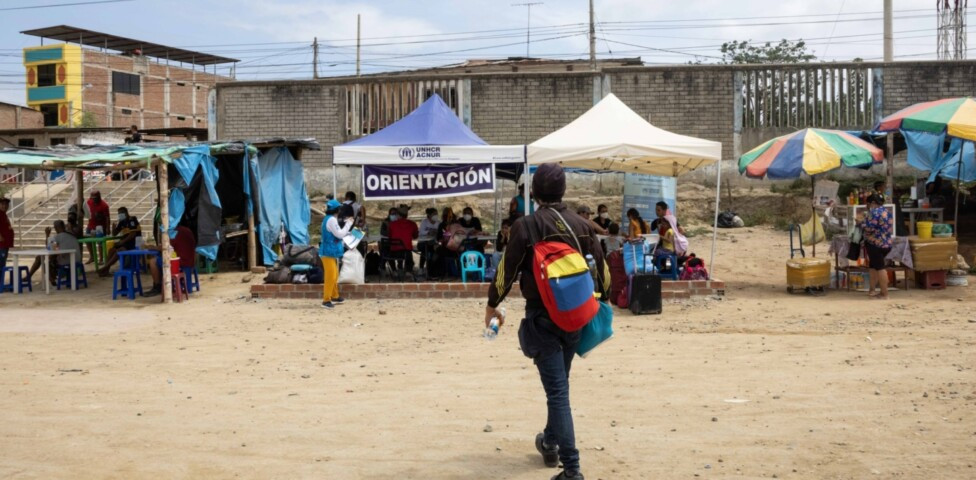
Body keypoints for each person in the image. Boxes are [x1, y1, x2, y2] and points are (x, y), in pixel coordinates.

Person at [486, 163, 609, 480]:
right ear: (563, 191)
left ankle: (572, 469)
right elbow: (601, 269)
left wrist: (492, 304)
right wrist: (601, 298)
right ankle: (550, 441)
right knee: (560, 386)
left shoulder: (525, 227)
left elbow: (506, 271)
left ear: (535, 193)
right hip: (574, 317)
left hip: (541, 317)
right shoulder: (582, 226)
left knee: (558, 393)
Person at [143, 225, 196, 297]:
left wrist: (153, 247)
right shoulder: (187, 230)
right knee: (161, 260)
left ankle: (157, 286)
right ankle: (164, 284)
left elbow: (165, 247)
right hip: (190, 260)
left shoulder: (174, 232)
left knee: (153, 261)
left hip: (179, 262)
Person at [859, 194, 893, 299]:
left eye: (868, 204)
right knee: (873, 266)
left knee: (880, 267)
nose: (867, 206)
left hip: (875, 244)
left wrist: (860, 223)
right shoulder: (887, 212)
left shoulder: (873, 212)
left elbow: (870, 228)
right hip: (887, 243)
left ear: (873, 203)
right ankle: (872, 290)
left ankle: (884, 293)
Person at [319, 199, 351, 309]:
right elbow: (339, 234)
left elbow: (337, 233)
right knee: (330, 276)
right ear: (337, 209)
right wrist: (348, 224)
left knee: (335, 274)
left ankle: (335, 295)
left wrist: (347, 231)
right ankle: (326, 300)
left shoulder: (329, 219)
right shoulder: (331, 220)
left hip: (329, 251)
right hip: (327, 252)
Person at [28, 220, 81, 286]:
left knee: (42, 259)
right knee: (48, 258)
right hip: (77, 260)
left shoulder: (57, 237)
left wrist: (47, 235)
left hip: (66, 261)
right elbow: (55, 250)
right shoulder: (72, 235)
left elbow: (49, 248)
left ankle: (49, 278)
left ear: (56, 228)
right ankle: (31, 276)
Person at [96, 206, 142, 276]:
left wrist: (121, 242)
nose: (120, 214)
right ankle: (106, 271)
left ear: (126, 213)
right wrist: (113, 227)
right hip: (125, 243)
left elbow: (132, 234)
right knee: (111, 250)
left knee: (120, 249)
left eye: (121, 213)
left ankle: (105, 267)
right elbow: (114, 234)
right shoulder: (121, 222)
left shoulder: (132, 219)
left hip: (133, 243)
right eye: (119, 213)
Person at [387, 206, 419, 275]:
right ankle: (408, 271)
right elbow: (415, 236)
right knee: (408, 251)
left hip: (393, 252)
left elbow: (389, 237)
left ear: (398, 215)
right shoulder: (412, 224)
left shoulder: (392, 224)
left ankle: (395, 270)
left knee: (388, 251)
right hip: (406, 253)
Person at [84, 190, 110, 264]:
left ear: (99, 197)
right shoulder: (89, 202)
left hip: (100, 226)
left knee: (100, 242)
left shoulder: (104, 205)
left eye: (95, 198)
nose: (94, 200)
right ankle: (92, 256)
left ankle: (101, 259)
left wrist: (108, 228)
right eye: (92, 198)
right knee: (87, 240)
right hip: (91, 225)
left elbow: (107, 217)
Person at [418, 207, 440, 273]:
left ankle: (432, 269)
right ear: (429, 215)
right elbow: (421, 232)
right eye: (434, 214)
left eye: (436, 214)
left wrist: (437, 232)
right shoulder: (424, 222)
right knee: (425, 250)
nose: (436, 215)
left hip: (434, 243)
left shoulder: (438, 223)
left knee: (437, 251)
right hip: (423, 243)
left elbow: (442, 232)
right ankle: (421, 268)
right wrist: (428, 232)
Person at [0, 197, 12, 270]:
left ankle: (1, 281)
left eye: (6, 204)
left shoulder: (4, 215)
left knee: (2, 265)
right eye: (2, 204)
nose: (4, 206)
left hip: (4, 245)